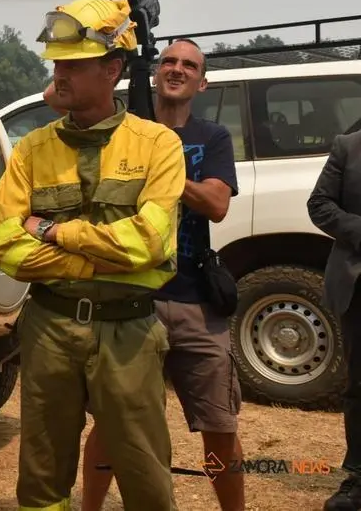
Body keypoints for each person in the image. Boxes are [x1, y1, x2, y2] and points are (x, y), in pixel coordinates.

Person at [0, 0, 186, 510]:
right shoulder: (31, 150)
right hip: (50, 328)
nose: (60, 75)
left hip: (130, 333)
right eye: (57, 64)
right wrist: (108, 253)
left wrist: (53, 232)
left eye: (74, 64)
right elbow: (5, 247)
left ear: (113, 68)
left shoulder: (158, 145)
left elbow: (151, 242)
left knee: (145, 476)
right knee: (41, 478)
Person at [80, 38, 244, 511]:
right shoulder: (125, 130)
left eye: (188, 65)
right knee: (112, 423)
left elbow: (215, 204)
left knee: (220, 427)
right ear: (153, 74)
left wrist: (165, 168)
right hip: (131, 299)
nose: (176, 69)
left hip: (196, 301)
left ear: (202, 81)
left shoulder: (212, 138)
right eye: (168, 61)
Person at [308, 128, 361, 511]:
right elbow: (320, 204)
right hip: (358, 284)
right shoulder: (349, 145)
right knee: (359, 384)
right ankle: (358, 475)